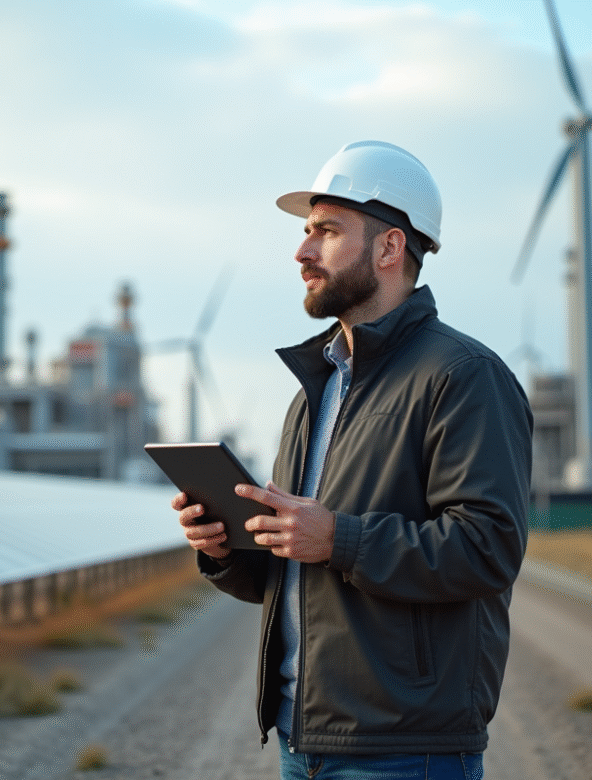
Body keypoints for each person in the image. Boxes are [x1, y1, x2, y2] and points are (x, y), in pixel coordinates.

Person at [172, 140, 533, 780]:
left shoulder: (463, 377)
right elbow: (295, 567)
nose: (302, 252)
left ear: (390, 248)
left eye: (327, 232)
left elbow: (488, 548)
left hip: (405, 749)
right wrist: (227, 548)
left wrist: (338, 537)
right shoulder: (314, 391)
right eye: (306, 232)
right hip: (300, 739)